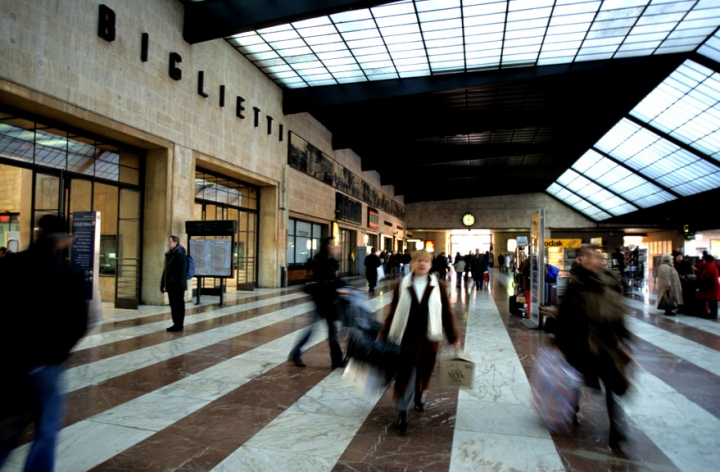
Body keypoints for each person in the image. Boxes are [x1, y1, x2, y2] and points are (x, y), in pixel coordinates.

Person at [0, 215, 89, 471]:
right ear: (63, 241)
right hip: (45, 363)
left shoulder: (9, 265)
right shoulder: (66, 274)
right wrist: (58, 353)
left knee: (7, 428)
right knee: (47, 429)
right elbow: (78, 324)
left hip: (9, 363)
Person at [554, 246, 634, 450]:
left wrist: (624, 340)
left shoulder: (610, 282)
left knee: (612, 387)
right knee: (576, 380)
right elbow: (565, 315)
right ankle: (572, 411)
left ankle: (617, 430)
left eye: (599, 258)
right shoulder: (577, 284)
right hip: (580, 343)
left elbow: (619, 311)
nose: (598, 261)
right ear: (583, 260)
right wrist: (560, 339)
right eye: (593, 258)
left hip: (605, 345)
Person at [378, 249, 461, 436]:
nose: (422, 264)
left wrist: (453, 336)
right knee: (407, 373)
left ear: (431, 265)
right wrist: (384, 333)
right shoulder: (402, 285)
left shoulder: (438, 286)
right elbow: (393, 312)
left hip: (429, 338)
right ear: (412, 264)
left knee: (424, 371)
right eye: (419, 260)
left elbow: (446, 313)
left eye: (426, 261)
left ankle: (419, 396)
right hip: (406, 337)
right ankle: (402, 410)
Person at [290, 236, 344, 368]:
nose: (334, 246)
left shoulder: (329, 259)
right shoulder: (321, 260)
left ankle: (337, 360)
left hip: (327, 300)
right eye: (332, 244)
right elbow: (328, 280)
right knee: (314, 329)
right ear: (326, 246)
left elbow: (333, 279)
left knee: (331, 330)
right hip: (321, 300)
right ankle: (296, 352)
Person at [161, 235, 189, 332]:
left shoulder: (181, 254)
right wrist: (162, 283)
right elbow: (165, 271)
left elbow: (183, 271)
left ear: (175, 242)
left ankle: (179, 324)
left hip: (178, 285)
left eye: (170, 242)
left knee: (178, 305)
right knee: (173, 304)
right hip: (170, 285)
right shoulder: (169, 254)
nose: (168, 243)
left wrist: (180, 285)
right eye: (168, 242)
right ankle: (175, 323)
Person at [696, 253, 720, 319]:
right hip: (713, 286)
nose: (702, 261)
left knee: (712, 302)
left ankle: (712, 315)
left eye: (703, 259)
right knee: (712, 302)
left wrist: (699, 274)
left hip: (711, 287)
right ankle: (712, 314)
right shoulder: (711, 265)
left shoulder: (709, 266)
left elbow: (705, 276)